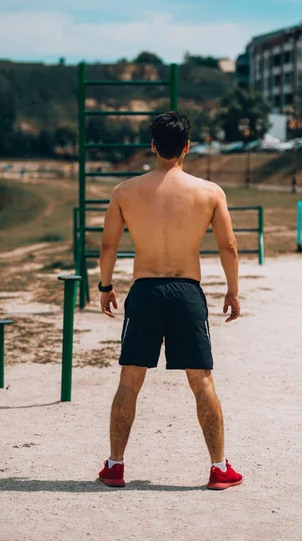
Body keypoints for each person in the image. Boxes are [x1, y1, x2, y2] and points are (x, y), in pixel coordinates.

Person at [97, 111, 242, 490]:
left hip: (145, 292)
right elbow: (228, 245)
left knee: (130, 381)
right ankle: (218, 468)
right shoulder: (209, 191)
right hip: (186, 293)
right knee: (202, 381)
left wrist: (105, 285)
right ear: (187, 148)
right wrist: (232, 289)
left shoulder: (125, 191)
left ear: (153, 146)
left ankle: (115, 466)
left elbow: (108, 243)